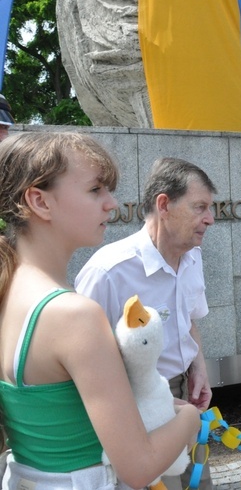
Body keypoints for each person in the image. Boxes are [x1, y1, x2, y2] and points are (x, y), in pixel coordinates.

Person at [0, 132, 200, 488]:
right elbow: (138, 467)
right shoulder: (73, 315)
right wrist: (190, 420)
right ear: (39, 201)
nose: (112, 203)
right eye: (95, 190)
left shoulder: (11, 289)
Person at [76, 157, 217, 490]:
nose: (210, 219)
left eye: (210, 209)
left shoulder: (192, 256)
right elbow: (83, 364)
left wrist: (198, 369)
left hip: (187, 401)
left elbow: (189, 322)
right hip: (136, 409)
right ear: (164, 204)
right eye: (200, 207)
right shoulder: (109, 272)